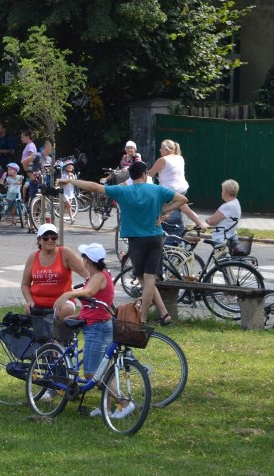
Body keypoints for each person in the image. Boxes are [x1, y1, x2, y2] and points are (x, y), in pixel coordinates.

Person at [59, 161, 187, 323]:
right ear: (144, 174)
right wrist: (163, 211)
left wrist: (70, 181)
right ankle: (162, 314)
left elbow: (93, 186)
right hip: (155, 237)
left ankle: (143, 318)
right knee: (149, 279)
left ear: (131, 177)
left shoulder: (123, 191)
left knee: (143, 278)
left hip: (135, 239)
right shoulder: (157, 190)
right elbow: (182, 199)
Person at [54, 243, 132, 418]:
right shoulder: (101, 275)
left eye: (83, 258)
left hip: (97, 328)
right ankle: (107, 408)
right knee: (104, 371)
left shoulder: (98, 277)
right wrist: (80, 315)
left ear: (87, 260)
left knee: (91, 373)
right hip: (100, 323)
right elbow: (96, 303)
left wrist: (68, 294)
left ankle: (125, 403)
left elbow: (89, 291)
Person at [20, 223, 89, 319]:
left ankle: (62, 333)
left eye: (53, 237)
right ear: (39, 240)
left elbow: (87, 274)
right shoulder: (33, 257)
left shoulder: (65, 253)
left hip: (62, 302)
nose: (50, 240)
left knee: (65, 310)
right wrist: (29, 301)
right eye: (45, 238)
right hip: (37, 303)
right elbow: (25, 284)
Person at [147, 139, 206, 230]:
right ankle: (200, 224)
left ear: (167, 149)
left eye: (161, 148)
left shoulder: (162, 160)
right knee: (183, 208)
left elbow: (150, 174)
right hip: (182, 189)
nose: (159, 150)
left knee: (156, 206)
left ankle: (158, 224)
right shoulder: (180, 157)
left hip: (170, 191)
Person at [204, 179, 242, 249]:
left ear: (225, 192)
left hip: (222, 239)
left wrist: (206, 219)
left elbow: (211, 221)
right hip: (231, 235)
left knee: (219, 259)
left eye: (222, 190)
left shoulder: (226, 206)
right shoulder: (236, 202)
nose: (221, 192)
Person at [22, 140, 52, 209]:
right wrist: (30, 174)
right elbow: (24, 162)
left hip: (44, 183)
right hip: (35, 182)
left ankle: (41, 217)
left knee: (44, 202)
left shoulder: (49, 159)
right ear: (47, 147)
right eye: (51, 147)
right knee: (34, 201)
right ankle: (31, 217)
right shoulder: (37, 155)